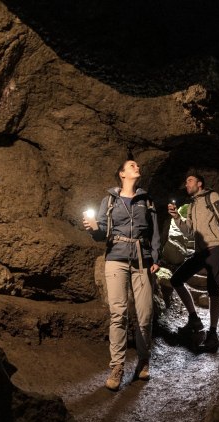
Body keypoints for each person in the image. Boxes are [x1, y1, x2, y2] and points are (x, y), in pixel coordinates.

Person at [84, 159, 160, 391]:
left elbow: (155, 231)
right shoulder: (109, 201)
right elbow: (102, 235)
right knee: (118, 314)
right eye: (132, 166)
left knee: (145, 315)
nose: (137, 167)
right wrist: (94, 229)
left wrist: (155, 258)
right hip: (116, 258)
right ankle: (117, 366)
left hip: (142, 260)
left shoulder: (146, 201)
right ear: (122, 174)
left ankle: (143, 360)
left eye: (137, 166)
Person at [167, 173, 219, 352]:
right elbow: (189, 232)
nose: (186, 184)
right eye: (186, 182)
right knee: (176, 279)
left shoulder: (211, 196)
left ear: (199, 184)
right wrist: (177, 217)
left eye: (189, 181)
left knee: (213, 289)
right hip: (200, 251)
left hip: (215, 247)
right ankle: (194, 318)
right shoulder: (191, 205)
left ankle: (213, 333)